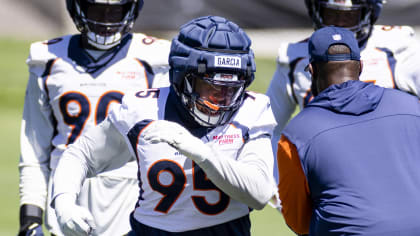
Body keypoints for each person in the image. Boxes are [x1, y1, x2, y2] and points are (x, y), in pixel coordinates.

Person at [51, 15, 278, 236]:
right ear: (182, 77)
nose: (221, 100)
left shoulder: (252, 110)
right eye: (211, 87)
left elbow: (259, 193)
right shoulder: (143, 109)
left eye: (231, 89)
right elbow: (81, 155)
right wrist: (64, 201)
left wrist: (202, 153)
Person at [18, 0, 171, 235]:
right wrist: (30, 217)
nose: (106, 20)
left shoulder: (155, 59)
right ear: (77, 8)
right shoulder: (47, 60)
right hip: (66, 204)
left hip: (130, 206)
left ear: (131, 9)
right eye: (97, 9)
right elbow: (34, 151)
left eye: (115, 10)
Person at [277, 26, 420, 236]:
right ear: (360, 67)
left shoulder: (296, 134)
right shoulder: (412, 106)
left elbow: (297, 221)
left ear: (312, 70)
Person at [266, 0, 420, 180]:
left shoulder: (397, 46)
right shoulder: (294, 57)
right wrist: (279, 185)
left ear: (368, 13)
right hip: (331, 177)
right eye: (331, 14)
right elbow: (269, 129)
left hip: (394, 172)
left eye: (349, 16)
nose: (339, 24)